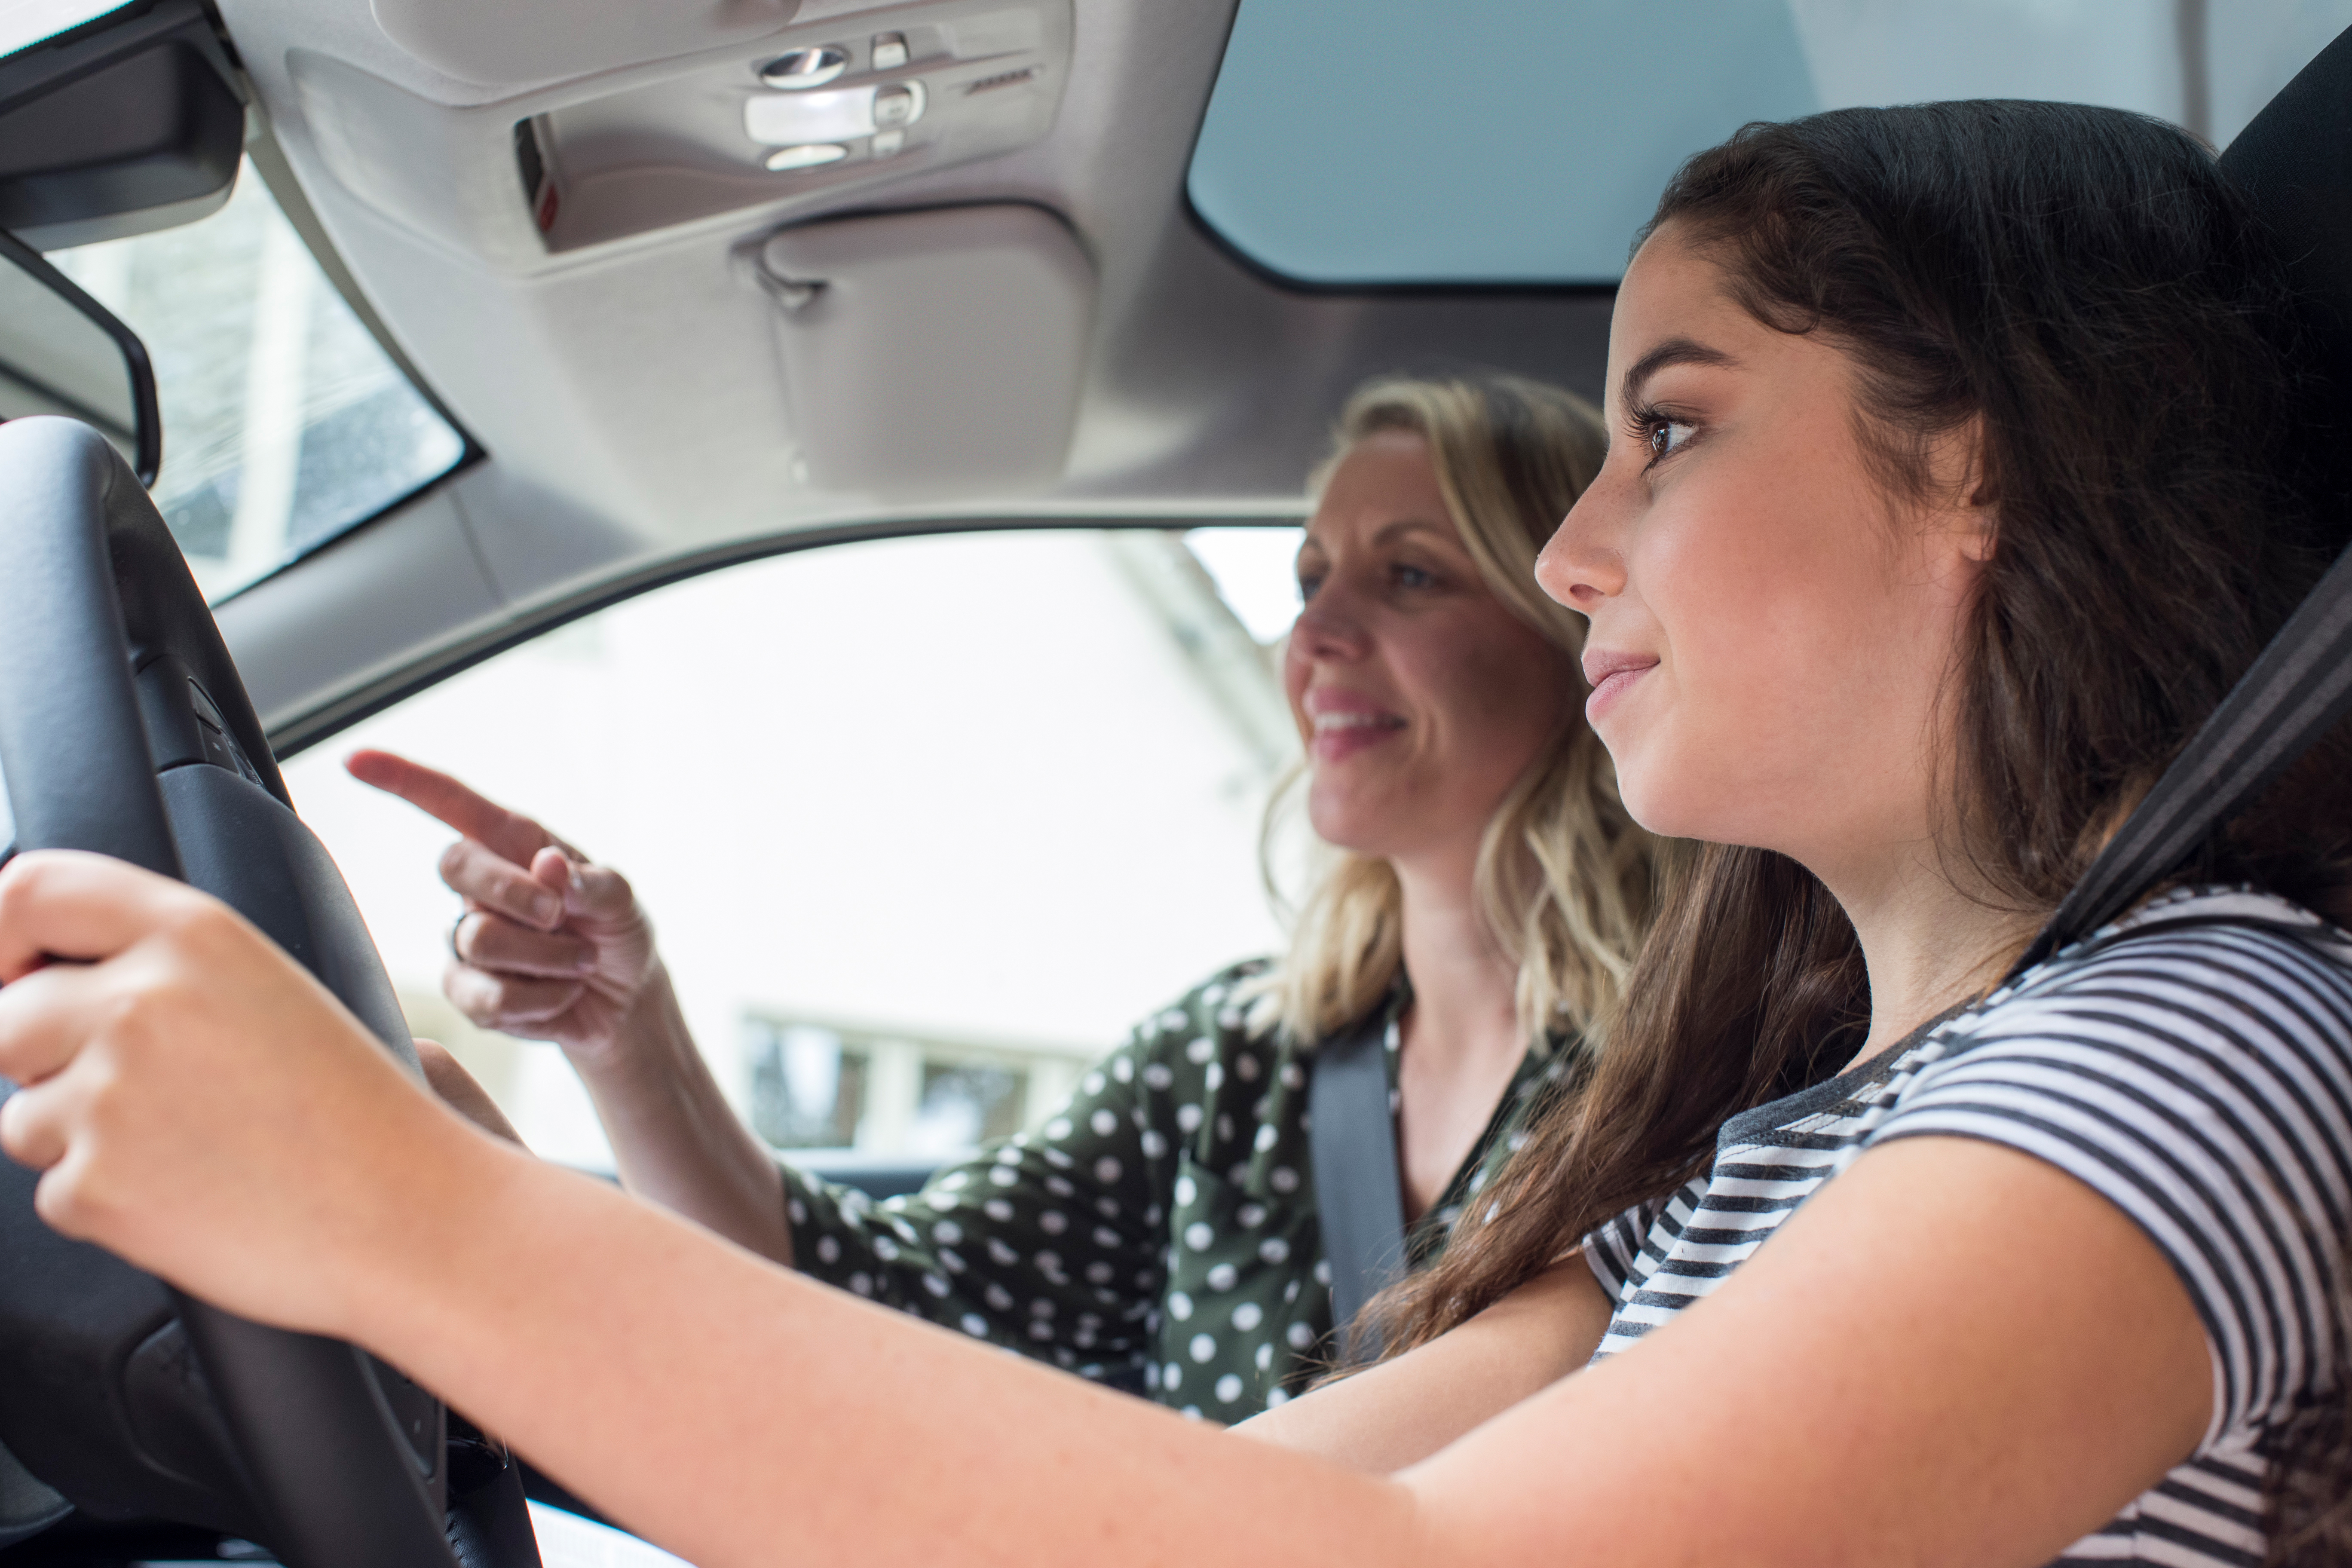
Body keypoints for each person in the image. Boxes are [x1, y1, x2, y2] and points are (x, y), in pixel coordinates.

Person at [6, 99, 2352, 1568]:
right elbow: (1297, 1494)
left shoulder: (2199, 1049)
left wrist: (424, 1231)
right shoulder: (1776, 1144)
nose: (1579, 550)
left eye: (1673, 430)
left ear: (1980, 476)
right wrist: (461, 1205)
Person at [338, 371, 1661, 1418]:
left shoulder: (1685, 1084)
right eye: (1310, 579)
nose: (1312, 636)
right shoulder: (1238, 1063)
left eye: (1410, 572)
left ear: (1575, 631)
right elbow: (875, 1308)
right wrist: (627, 1037)